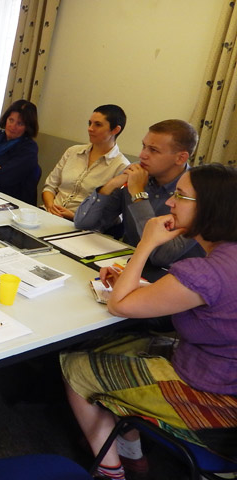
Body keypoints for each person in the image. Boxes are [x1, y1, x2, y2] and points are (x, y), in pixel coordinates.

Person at [61, 163, 237, 480]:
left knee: (75, 364)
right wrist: (138, 285)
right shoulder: (227, 258)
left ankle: (110, 469)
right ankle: (133, 454)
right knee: (109, 344)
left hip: (211, 392)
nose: (170, 202)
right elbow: (197, 299)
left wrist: (146, 244)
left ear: (210, 208)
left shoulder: (204, 272)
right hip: (221, 369)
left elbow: (118, 306)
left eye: (181, 196)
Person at [75, 119, 204, 266]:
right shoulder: (136, 172)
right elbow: (84, 223)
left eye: (153, 150)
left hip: (173, 276)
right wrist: (108, 186)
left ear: (180, 158)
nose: (142, 155)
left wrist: (138, 194)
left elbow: (161, 256)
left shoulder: (199, 193)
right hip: (127, 261)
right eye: (144, 146)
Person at [42, 104, 130, 219]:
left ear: (115, 130)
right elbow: (50, 186)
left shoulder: (122, 166)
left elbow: (112, 214)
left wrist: (75, 217)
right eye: (90, 123)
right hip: (49, 212)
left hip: (81, 224)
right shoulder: (73, 151)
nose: (90, 128)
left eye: (97, 125)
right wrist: (50, 206)